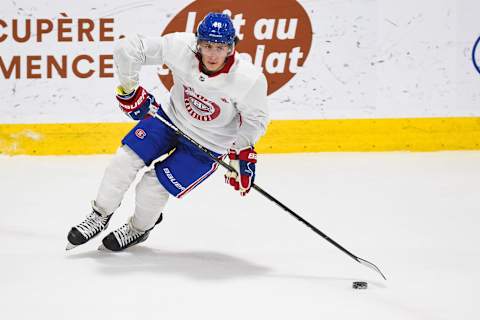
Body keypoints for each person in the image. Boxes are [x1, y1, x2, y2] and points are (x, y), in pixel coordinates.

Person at [66, 12, 269, 251]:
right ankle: (100, 215)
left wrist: (242, 151)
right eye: (207, 45)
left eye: (221, 47)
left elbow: (255, 120)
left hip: (208, 145)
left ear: (232, 47)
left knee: (151, 187)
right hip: (169, 120)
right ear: (198, 43)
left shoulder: (248, 79)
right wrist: (129, 91)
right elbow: (127, 48)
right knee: (123, 160)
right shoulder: (180, 48)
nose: (213, 54)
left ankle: (138, 229)